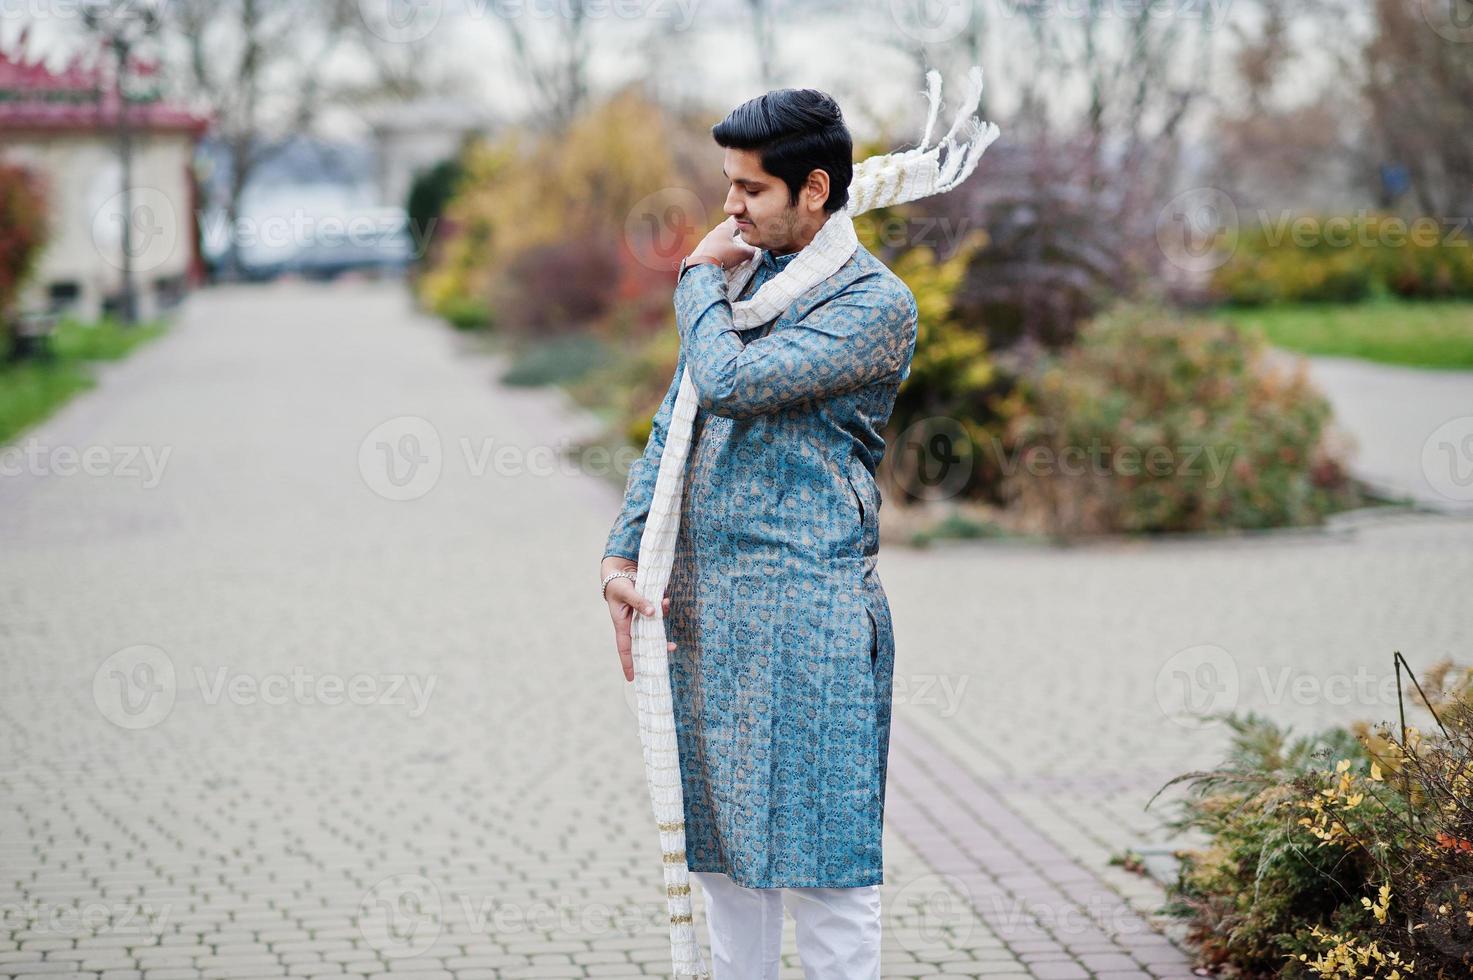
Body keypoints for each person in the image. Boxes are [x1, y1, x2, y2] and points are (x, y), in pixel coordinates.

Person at [599, 85, 918, 979]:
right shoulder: (744, 281)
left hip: (810, 615)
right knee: (727, 868)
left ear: (814, 189)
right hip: (707, 611)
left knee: (827, 871)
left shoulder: (872, 305)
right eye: (728, 185)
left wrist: (694, 279)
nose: (728, 208)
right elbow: (675, 424)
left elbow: (732, 380)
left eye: (750, 190)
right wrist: (621, 556)